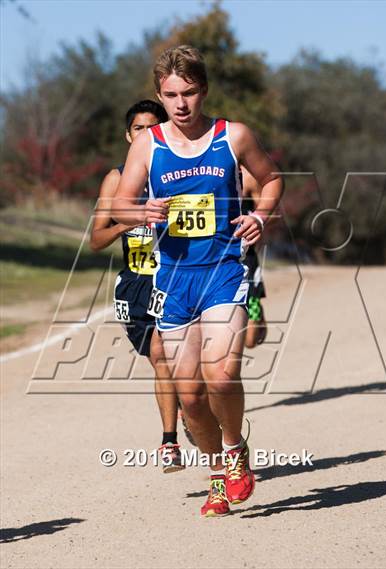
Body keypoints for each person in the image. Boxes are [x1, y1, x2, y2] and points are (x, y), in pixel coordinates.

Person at [112, 46, 283, 516]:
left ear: (203, 90)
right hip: (173, 279)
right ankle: (216, 477)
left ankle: (234, 451)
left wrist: (261, 217)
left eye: (189, 92)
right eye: (171, 95)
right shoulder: (148, 145)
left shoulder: (233, 136)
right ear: (159, 95)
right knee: (189, 395)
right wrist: (140, 210)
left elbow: (270, 180)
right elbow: (120, 205)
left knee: (222, 375)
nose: (181, 103)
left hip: (224, 271)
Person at [90, 99, 186, 473]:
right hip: (136, 284)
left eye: (152, 127)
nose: (145, 134)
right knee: (161, 359)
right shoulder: (116, 180)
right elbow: (97, 240)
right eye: (138, 129)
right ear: (128, 135)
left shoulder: (178, 173)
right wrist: (126, 223)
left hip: (178, 275)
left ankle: (169, 441)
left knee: (168, 354)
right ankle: (182, 418)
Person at [241, 167, 268, 348]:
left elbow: (267, 215)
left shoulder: (249, 177)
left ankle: (258, 309)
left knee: (251, 341)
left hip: (247, 258)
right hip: (216, 258)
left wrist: (254, 221)